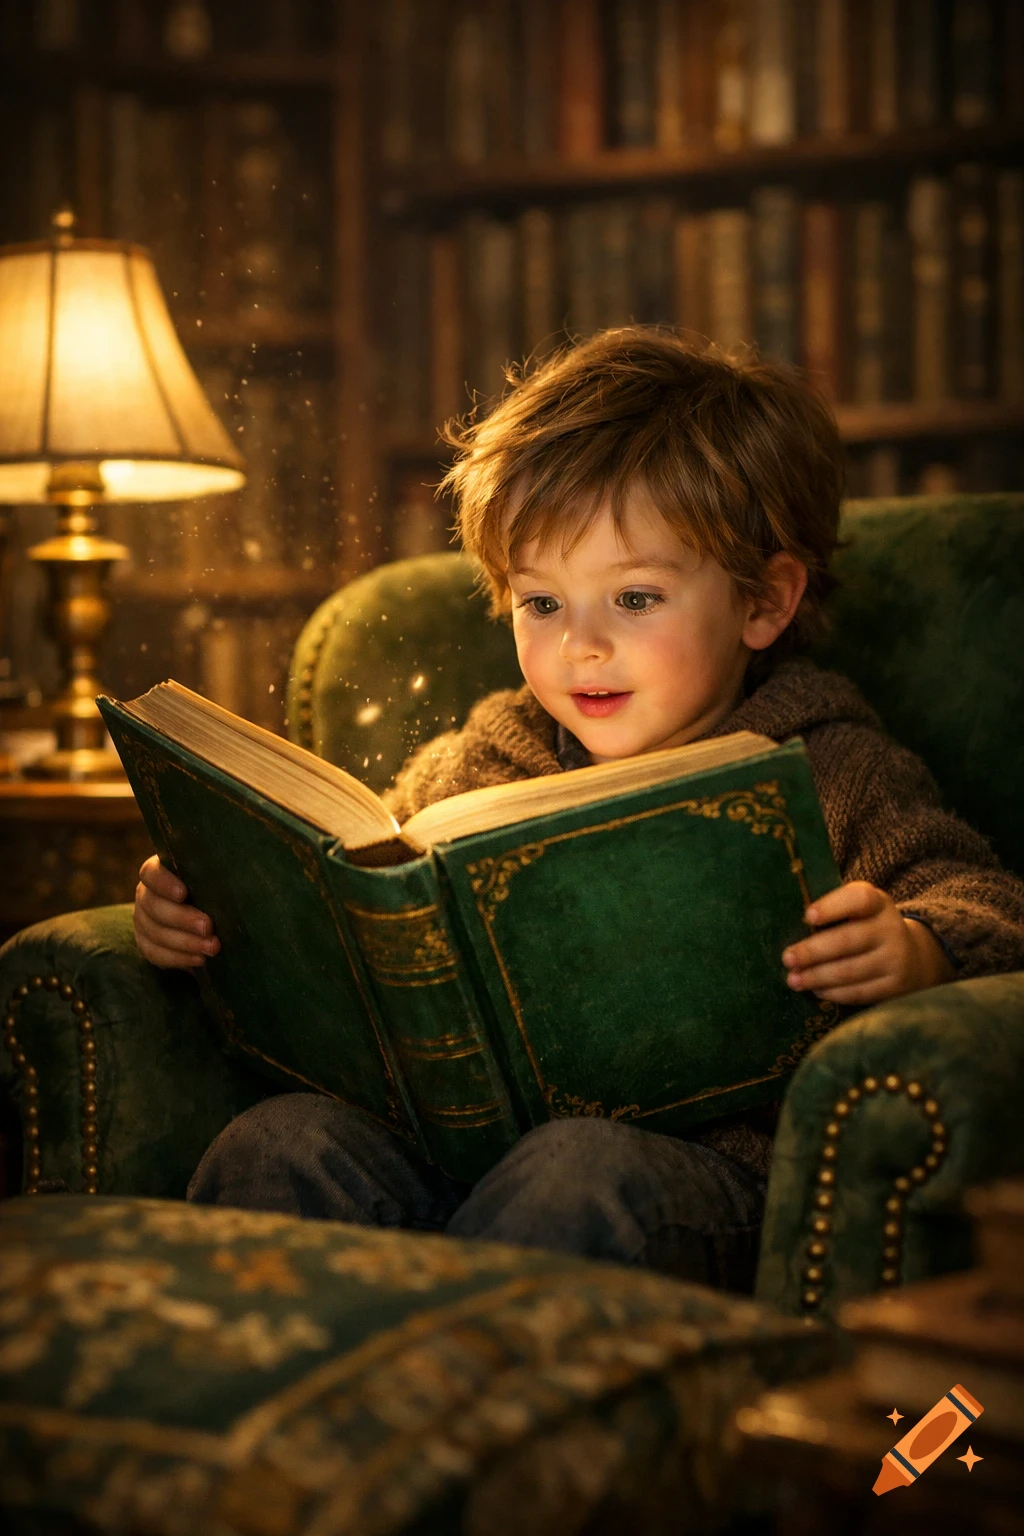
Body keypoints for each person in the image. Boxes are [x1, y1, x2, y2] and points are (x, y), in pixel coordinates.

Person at [133, 327, 1024, 1294]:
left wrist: (918, 948)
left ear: (763, 604)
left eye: (634, 598)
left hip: (688, 1185)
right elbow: (359, 870)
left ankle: (454, 1415)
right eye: (541, 603)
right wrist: (212, 899)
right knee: (278, 1143)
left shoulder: (828, 766)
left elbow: (988, 904)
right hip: (443, 1164)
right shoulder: (487, 754)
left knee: (576, 1171)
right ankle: (268, 1425)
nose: (579, 648)